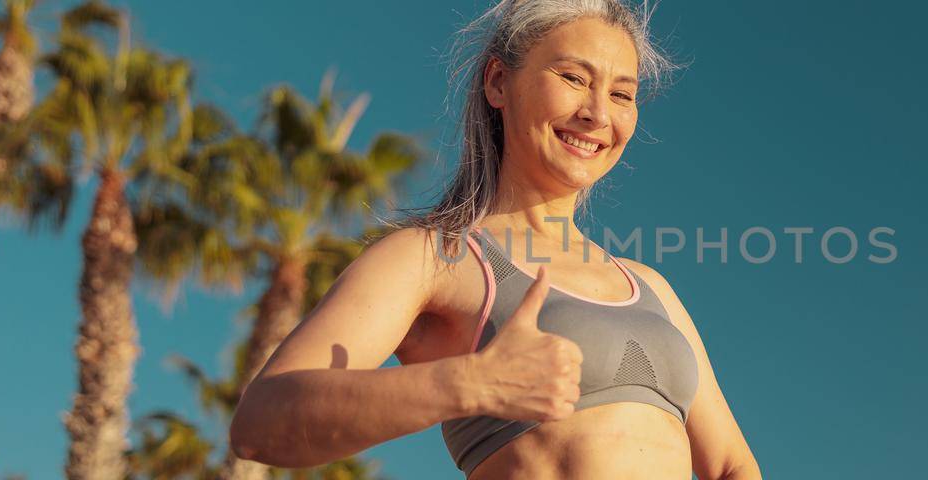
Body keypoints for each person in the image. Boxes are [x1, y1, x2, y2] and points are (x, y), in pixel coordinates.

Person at [227, 1, 762, 478]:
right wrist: (471, 384)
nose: (598, 113)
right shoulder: (434, 257)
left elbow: (731, 465)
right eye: (574, 78)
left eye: (622, 93)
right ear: (498, 83)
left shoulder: (651, 286)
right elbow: (261, 421)